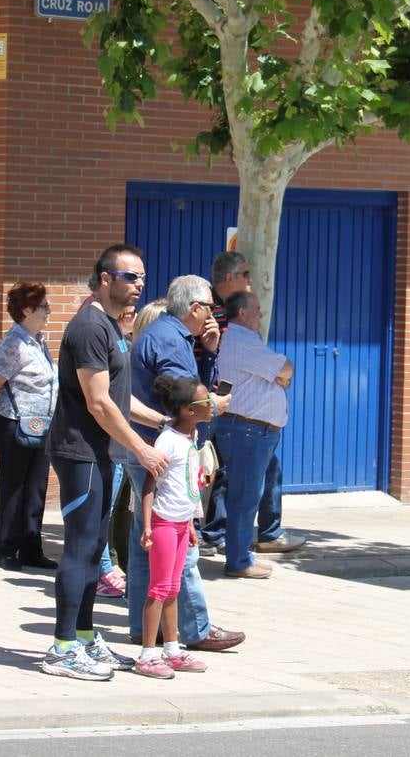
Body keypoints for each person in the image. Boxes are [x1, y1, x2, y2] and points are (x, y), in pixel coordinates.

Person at [40, 244, 170, 682]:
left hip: (102, 453)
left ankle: (83, 634)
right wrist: (141, 448)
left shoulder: (112, 328)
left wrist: (163, 421)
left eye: (142, 278)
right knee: (79, 548)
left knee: (96, 550)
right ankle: (61, 649)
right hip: (80, 453)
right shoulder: (89, 327)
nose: (139, 286)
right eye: (130, 277)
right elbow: (98, 403)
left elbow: (119, 398)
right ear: (105, 278)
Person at [125, 275, 244, 654]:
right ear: (195, 308)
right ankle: (194, 629)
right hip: (164, 453)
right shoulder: (170, 341)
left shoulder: (168, 335)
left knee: (145, 541)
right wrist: (216, 404)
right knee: (180, 540)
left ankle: (144, 628)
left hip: (148, 447)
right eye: (211, 307)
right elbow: (188, 403)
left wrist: (209, 353)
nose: (213, 315)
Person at [201, 251, 305, 556]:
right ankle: (219, 537)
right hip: (218, 405)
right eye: (246, 274)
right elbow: (276, 368)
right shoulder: (210, 309)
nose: (250, 280)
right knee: (221, 475)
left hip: (239, 411)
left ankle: (264, 533)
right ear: (231, 278)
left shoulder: (237, 326)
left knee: (262, 472)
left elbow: (276, 373)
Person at [135, 375, 213, 678]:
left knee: (174, 588)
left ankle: (171, 649)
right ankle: (147, 654)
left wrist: (191, 522)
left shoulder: (190, 437)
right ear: (188, 411)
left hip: (181, 524)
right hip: (164, 523)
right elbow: (149, 484)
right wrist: (147, 526)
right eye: (205, 401)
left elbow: (189, 483)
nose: (211, 404)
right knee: (159, 588)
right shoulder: (167, 440)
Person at [213, 291, 295, 579]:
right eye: (257, 310)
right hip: (247, 430)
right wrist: (278, 375)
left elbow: (280, 374)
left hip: (250, 430)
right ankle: (238, 560)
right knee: (245, 496)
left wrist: (277, 375)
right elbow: (286, 368)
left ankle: (241, 554)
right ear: (243, 314)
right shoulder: (240, 339)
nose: (261, 315)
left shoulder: (240, 340)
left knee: (245, 494)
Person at [0, 282, 58, 572]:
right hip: (13, 423)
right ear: (27, 310)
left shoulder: (38, 341)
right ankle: (6, 548)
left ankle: (31, 547)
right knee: (14, 487)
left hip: (41, 425)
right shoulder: (12, 344)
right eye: (43, 306)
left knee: (36, 487)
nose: (49, 311)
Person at [97, 303, 138, 599]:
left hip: (123, 443)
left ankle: (113, 566)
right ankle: (102, 571)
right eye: (125, 313)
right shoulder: (107, 342)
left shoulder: (127, 346)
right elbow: (108, 401)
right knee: (104, 512)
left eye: (134, 313)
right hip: (111, 443)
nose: (129, 316)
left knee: (121, 508)